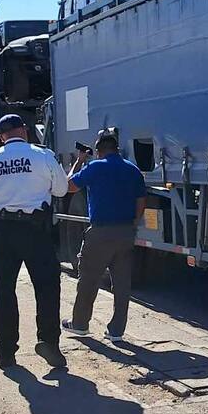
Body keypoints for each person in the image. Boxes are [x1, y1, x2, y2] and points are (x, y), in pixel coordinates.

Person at [0, 114, 69, 370]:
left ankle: (6, 353)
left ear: (0, 137)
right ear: (24, 132)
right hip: (35, 230)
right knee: (47, 286)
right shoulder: (43, 155)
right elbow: (61, 190)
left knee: (4, 289)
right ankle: (48, 342)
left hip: (1, 231)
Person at [62, 128, 146, 343]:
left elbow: (68, 186)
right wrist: (133, 225)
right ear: (117, 149)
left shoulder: (95, 166)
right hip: (126, 231)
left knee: (88, 279)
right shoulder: (132, 169)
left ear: (98, 151)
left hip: (100, 232)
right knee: (121, 283)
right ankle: (116, 331)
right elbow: (140, 202)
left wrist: (79, 161)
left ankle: (80, 324)